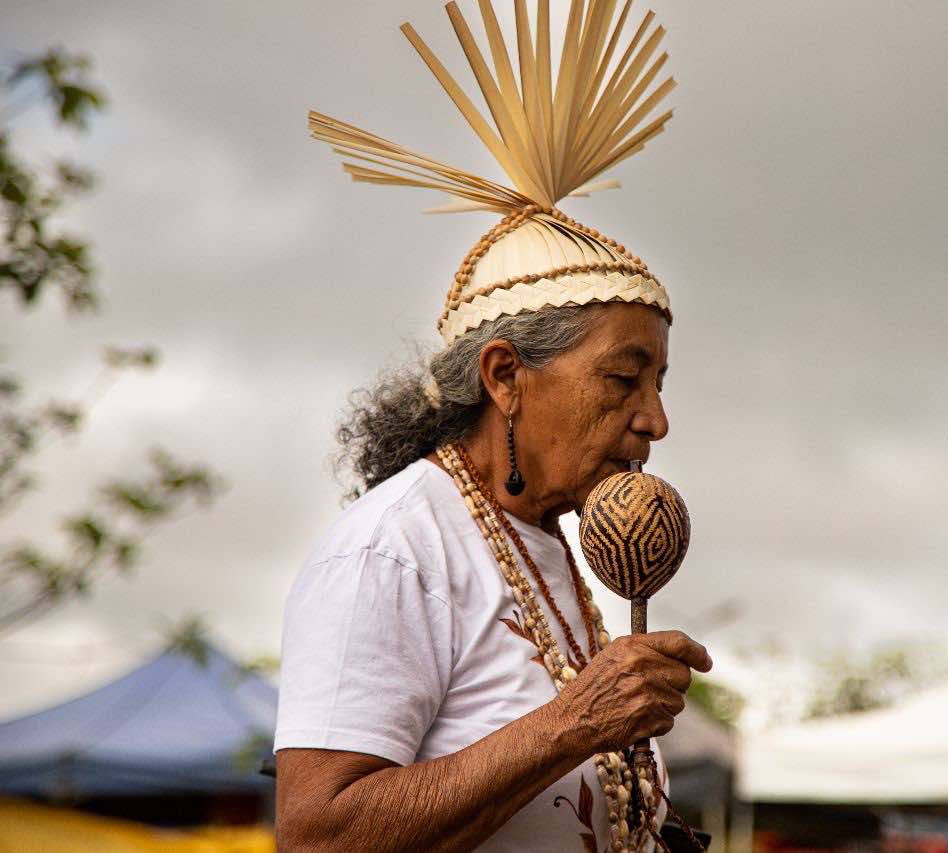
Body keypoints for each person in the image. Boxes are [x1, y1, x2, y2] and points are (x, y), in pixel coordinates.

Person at [273, 3, 709, 851]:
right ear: (505, 375)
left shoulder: (553, 548)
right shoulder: (392, 548)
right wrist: (576, 720)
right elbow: (317, 835)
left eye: (658, 381)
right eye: (624, 378)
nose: (654, 418)